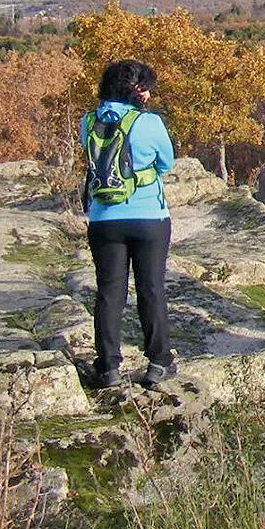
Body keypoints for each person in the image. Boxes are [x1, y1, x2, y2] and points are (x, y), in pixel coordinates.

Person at [80, 60, 175, 389]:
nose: (149, 94)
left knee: (109, 293)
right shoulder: (149, 123)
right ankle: (159, 363)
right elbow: (166, 163)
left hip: (103, 219)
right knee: (151, 289)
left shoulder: (87, 122)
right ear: (134, 90)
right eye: (145, 88)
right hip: (149, 217)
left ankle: (108, 368)